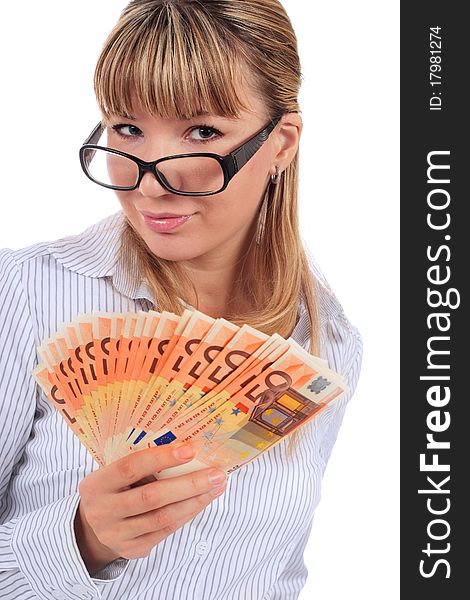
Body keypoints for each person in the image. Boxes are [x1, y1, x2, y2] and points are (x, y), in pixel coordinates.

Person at [0, 1, 362, 598]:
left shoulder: (328, 344)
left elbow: (273, 576)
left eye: (202, 132)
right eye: (127, 129)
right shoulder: (24, 295)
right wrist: (82, 540)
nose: (148, 181)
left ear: (281, 144)